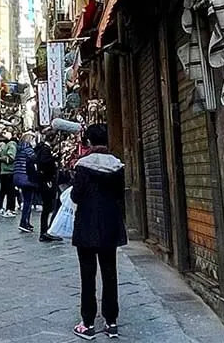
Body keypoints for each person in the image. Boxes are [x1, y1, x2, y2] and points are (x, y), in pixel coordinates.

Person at [71, 124, 127, 339]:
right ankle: (111, 322)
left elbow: (76, 196)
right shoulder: (117, 165)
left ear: (88, 142)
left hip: (87, 225)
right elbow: (119, 195)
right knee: (110, 273)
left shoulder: (83, 166)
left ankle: (88, 323)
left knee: (88, 275)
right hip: (110, 224)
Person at [32, 135, 61, 242]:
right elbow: (45, 162)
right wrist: (53, 159)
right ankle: (45, 232)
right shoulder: (45, 150)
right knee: (48, 207)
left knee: (47, 208)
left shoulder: (42, 149)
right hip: (46, 181)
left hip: (43, 180)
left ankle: (46, 231)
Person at [13, 132, 37, 233]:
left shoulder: (19, 149)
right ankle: (23, 222)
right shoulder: (28, 150)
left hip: (18, 176)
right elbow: (35, 159)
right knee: (28, 201)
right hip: (26, 177)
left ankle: (26, 221)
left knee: (27, 200)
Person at [0, 130, 17, 217]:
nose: (4, 134)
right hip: (6, 171)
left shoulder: (11, 144)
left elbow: (11, 157)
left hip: (9, 170)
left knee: (9, 191)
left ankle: (10, 209)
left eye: (6, 132)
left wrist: (1, 159)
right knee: (6, 190)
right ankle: (3, 207)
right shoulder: (8, 144)